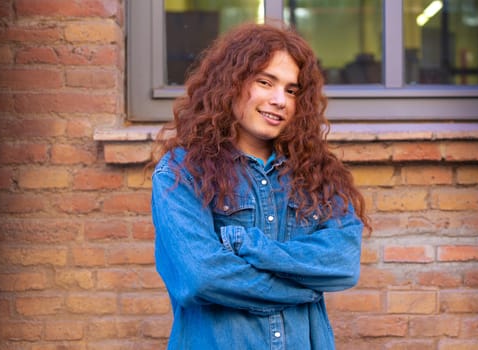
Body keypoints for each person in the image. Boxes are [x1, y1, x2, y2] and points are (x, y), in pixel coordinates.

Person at [150, 22, 370, 350]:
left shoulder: (317, 174)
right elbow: (201, 278)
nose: (279, 100)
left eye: (292, 90)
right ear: (232, 84)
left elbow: (343, 263)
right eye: (265, 82)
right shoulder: (182, 173)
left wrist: (254, 248)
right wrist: (303, 289)